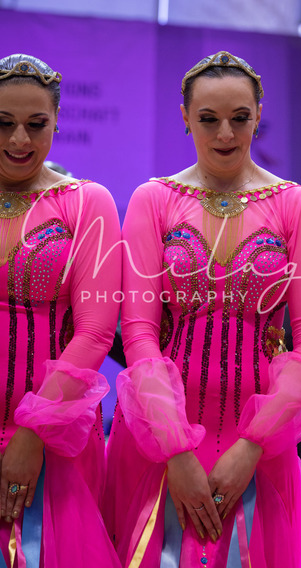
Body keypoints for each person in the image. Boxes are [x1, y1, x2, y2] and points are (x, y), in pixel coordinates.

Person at [104, 51, 301, 567]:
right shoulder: (153, 200)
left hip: (260, 438)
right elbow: (138, 334)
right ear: (186, 117)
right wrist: (175, 449)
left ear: (258, 115)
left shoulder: (295, 204)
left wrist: (254, 445)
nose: (226, 133)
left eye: (240, 118)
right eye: (209, 119)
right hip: (163, 434)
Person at [0, 54, 121, 567]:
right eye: (3, 123)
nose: (19, 140)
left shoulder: (87, 202)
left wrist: (33, 431)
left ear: (56, 122)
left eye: (36, 124)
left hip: (54, 435)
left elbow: (95, 333)